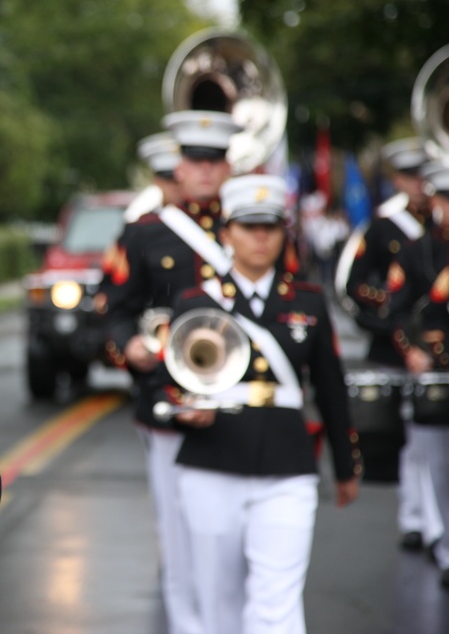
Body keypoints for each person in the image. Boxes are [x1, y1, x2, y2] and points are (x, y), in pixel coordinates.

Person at [153, 173, 361, 634]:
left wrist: (345, 466)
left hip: (287, 466)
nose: (260, 237)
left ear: (283, 233)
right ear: (227, 233)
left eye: (270, 226)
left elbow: (330, 387)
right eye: (249, 226)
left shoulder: (308, 301)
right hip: (210, 460)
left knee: (277, 606)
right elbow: (162, 384)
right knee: (217, 603)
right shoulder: (194, 301)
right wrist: (182, 411)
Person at [102, 110, 242, 634]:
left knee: (238, 536)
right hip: (169, 400)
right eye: (195, 160)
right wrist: (128, 346)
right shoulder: (144, 234)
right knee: (182, 535)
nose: (205, 171)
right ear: (178, 166)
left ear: (229, 166)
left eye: (216, 160)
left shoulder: (254, 225)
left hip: (241, 401)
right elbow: (111, 308)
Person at [385, 162, 449, 589]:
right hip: (439, 373)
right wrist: (414, 354)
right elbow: (397, 310)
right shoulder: (415, 251)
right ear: (437, 200)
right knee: (441, 466)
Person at [342, 137, 442, 551]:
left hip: (439, 344)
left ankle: (433, 520)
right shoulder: (383, 227)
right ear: (398, 180)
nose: (419, 184)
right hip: (395, 345)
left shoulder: (446, 225)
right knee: (407, 435)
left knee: (432, 435)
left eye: (424, 175)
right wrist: (391, 303)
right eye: (410, 176)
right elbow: (355, 284)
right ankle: (413, 516)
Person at [123, 131, 182, 223]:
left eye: (180, 180)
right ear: (157, 182)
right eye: (169, 180)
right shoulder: (144, 221)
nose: (176, 187)